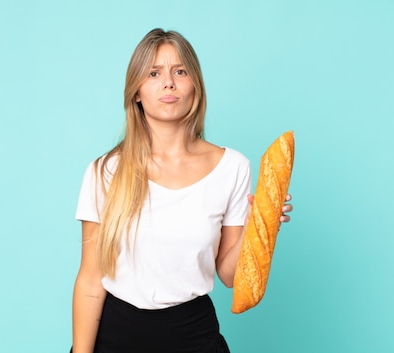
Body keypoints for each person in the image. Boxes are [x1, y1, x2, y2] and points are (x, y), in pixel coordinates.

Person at [71, 28, 293, 353]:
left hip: (193, 336)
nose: (168, 83)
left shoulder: (232, 167)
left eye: (180, 71)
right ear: (136, 91)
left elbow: (230, 276)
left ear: (195, 86)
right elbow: (91, 280)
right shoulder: (105, 171)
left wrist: (259, 223)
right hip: (116, 337)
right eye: (153, 73)